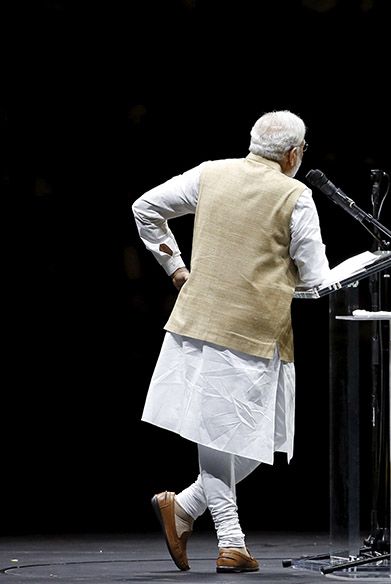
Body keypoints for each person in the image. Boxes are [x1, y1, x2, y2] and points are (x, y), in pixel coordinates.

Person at [131, 110, 331, 573]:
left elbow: (145, 207)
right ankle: (231, 543)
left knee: (252, 440)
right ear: (293, 153)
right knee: (226, 435)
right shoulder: (295, 194)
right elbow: (317, 278)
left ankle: (183, 508)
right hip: (252, 332)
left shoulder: (210, 173)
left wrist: (176, 268)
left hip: (200, 323)